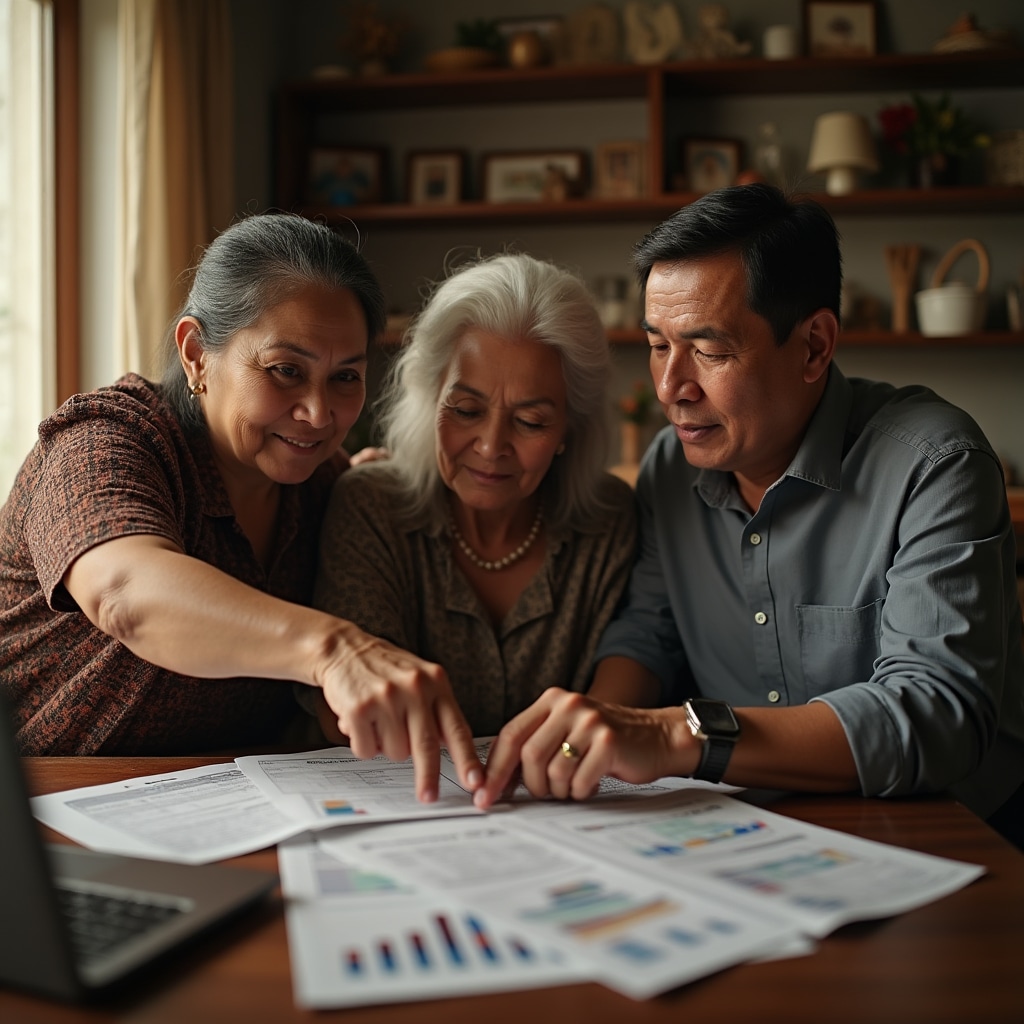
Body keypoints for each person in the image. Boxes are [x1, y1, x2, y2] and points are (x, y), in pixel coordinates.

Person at [476, 184, 1024, 849]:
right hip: (747, 832)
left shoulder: (934, 464)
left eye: (709, 351)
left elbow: (935, 715)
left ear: (815, 346)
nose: (671, 388)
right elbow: (652, 632)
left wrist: (672, 735)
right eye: (657, 346)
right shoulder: (670, 468)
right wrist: (596, 728)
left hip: (947, 829)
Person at [0, 212, 482, 802]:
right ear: (197, 353)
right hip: (38, 815)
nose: (318, 413)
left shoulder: (325, 487)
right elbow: (125, 593)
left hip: (222, 812)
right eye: (285, 371)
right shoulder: (104, 440)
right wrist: (332, 649)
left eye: (345, 377)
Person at [311, 252, 637, 739]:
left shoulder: (609, 520)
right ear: (431, 397)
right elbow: (349, 715)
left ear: (569, 427)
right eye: (465, 410)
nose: (490, 447)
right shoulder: (372, 505)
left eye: (530, 422)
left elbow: (627, 687)